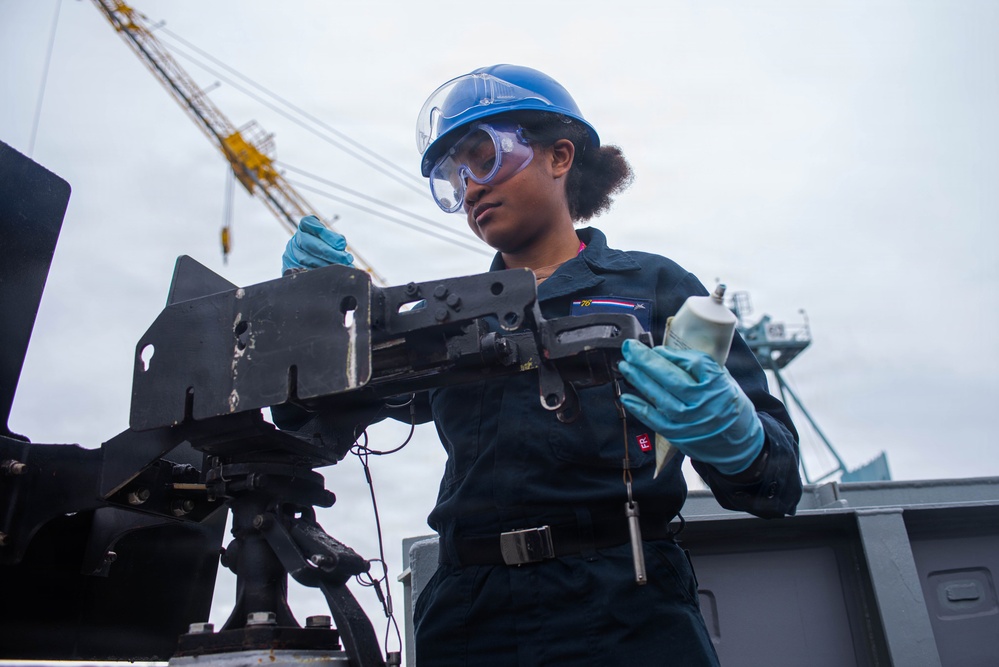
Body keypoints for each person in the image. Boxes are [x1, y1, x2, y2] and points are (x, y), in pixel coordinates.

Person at [281, 64, 803, 667]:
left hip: (626, 603)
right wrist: (311, 321)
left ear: (560, 156)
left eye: (484, 158)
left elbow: (775, 489)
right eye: (454, 178)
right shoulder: (448, 317)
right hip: (469, 614)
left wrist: (742, 446)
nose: (470, 187)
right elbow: (309, 428)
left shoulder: (656, 285)